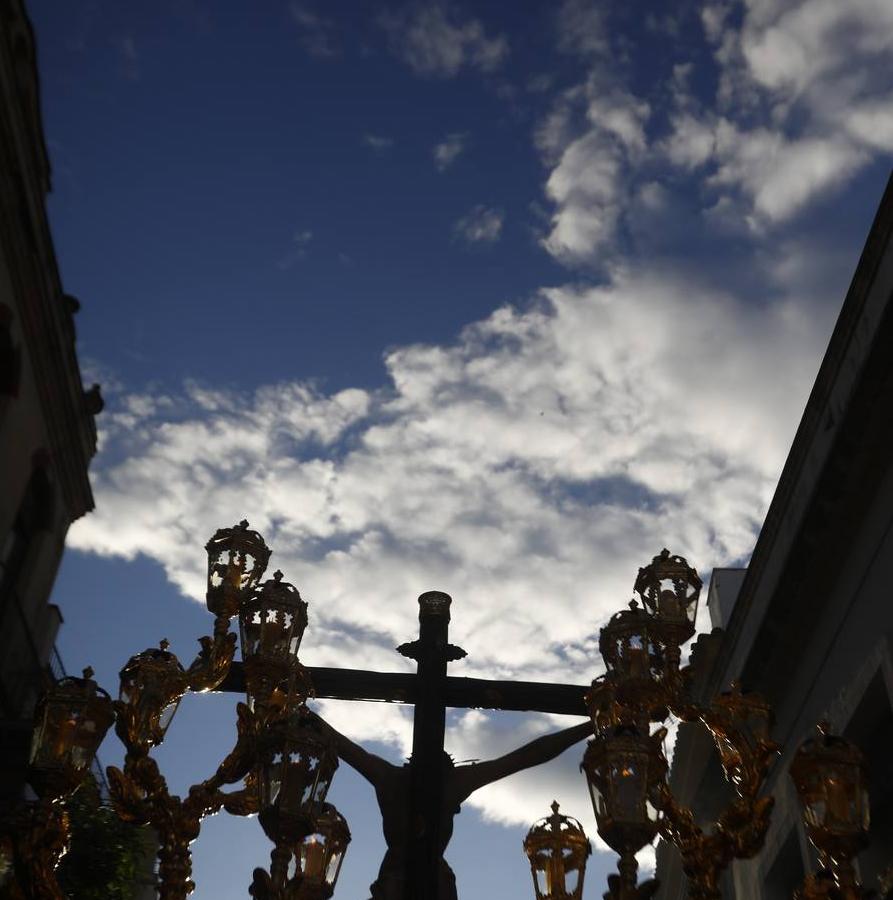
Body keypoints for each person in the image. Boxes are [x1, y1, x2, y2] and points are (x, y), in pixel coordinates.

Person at [314, 714, 593, 900]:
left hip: (411, 880)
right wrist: (592, 724)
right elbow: (527, 756)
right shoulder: (444, 786)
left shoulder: (395, 779)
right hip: (410, 881)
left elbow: (529, 755)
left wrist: (592, 725)